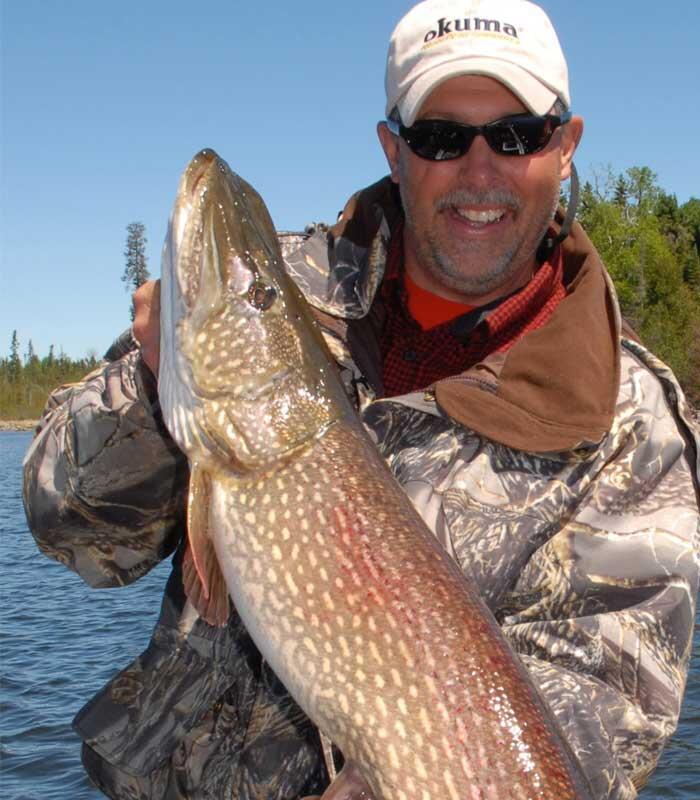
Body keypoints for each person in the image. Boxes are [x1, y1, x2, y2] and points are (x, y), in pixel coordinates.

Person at [23, 0, 700, 798]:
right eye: (441, 137)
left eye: (516, 134)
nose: (479, 169)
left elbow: (595, 725)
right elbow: (70, 526)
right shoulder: (293, 289)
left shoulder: (635, 433)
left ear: (565, 146)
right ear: (394, 148)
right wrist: (148, 384)